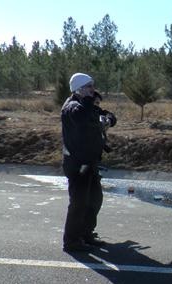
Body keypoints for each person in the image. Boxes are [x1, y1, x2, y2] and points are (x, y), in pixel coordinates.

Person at [61, 72, 116, 252]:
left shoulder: (87, 105)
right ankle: (71, 241)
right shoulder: (72, 107)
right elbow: (82, 117)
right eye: (89, 86)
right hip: (77, 164)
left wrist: (108, 118)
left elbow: (102, 115)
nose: (93, 89)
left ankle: (85, 233)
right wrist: (87, 101)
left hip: (90, 161)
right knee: (79, 202)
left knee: (94, 200)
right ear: (79, 89)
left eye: (92, 85)